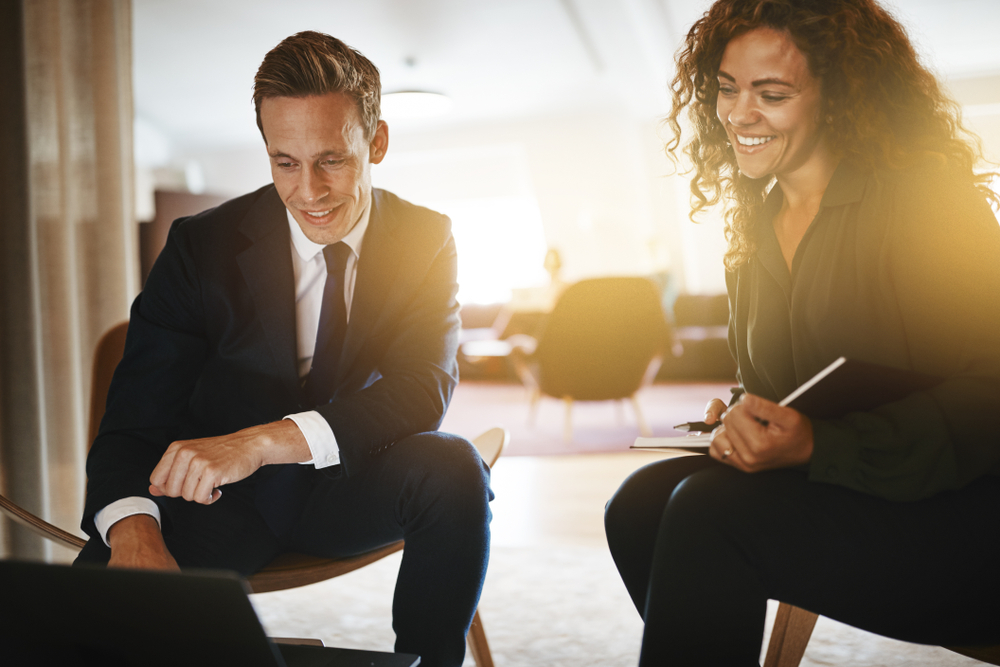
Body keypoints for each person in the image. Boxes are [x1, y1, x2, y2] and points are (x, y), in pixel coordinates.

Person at [77, 31, 492, 667]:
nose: (309, 191)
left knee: (456, 468)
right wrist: (134, 531)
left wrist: (262, 441)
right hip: (218, 502)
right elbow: (132, 422)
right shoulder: (199, 248)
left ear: (376, 142)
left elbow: (421, 389)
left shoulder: (426, 238)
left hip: (349, 483)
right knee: (80, 623)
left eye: (333, 159)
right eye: (285, 163)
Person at [603, 0, 1000, 664]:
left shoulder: (928, 203)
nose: (737, 114)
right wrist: (742, 416)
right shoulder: (752, 227)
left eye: (772, 93)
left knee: (705, 513)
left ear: (839, 95)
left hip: (960, 513)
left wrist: (822, 442)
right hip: (846, 496)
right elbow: (786, 382)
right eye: (727, 88)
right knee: (639, 504)